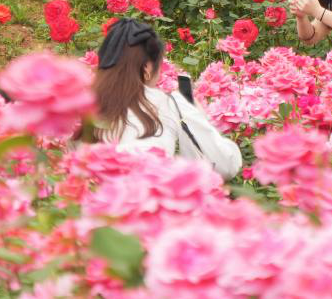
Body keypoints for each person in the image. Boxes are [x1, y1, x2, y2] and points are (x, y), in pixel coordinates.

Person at [92, 18, 242, 179]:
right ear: (147, 68)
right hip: (149, 201)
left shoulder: (81, 106)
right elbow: (226, 165)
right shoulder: (168, 104)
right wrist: (195, 112)